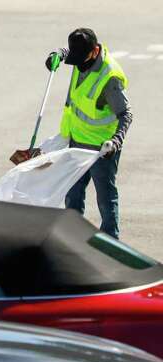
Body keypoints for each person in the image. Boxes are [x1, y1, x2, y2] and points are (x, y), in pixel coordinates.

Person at [45, 28, 131, 237]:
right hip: (76, 143)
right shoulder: (80, 57)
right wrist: (58, 55)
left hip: (101, 150)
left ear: (94, 51)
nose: (77, 64)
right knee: (72, 195)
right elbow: (69, 52)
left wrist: (116, 141)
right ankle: (73, 239)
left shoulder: (109, 77)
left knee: (105, 199)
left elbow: (126, 114)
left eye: (80, 58)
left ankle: (112, 244)